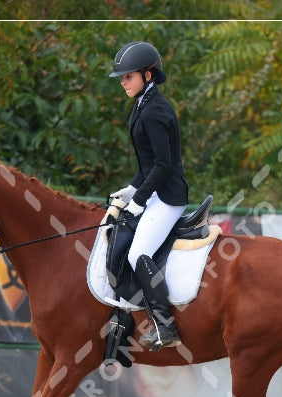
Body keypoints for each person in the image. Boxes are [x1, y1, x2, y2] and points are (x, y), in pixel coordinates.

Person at [109, 41, 188, 351]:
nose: (123, 82)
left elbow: (163, 164)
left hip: (167, 196)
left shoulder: (155, 110)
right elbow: (147, 164)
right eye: (122, 77)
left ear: (147, 74)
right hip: (153, 189)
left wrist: (140, 198)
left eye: (128, 76)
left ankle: (166, 326)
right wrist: (131, 189)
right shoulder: (143, 104)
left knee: (137, 253)